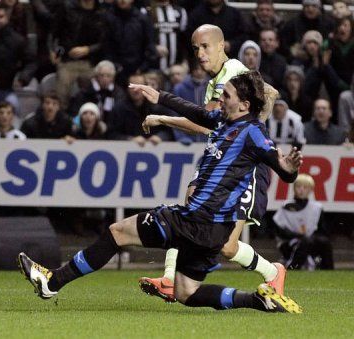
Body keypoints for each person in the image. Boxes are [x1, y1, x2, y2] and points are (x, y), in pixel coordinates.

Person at [19, 71, 303, 314]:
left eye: (226, 95)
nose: (221, 99)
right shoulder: (224, 120)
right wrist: (161, 97)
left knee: (118, 233)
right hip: (215, 230)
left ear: (244, 104)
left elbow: (281, 169)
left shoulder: (253, 132)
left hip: (196, 219)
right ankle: (256, 300)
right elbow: (198, 113)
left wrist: (289, 168)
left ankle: (52, 282)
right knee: (186, 292)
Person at [132, 25, 285, 303]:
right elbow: (208, 124)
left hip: (243, 168)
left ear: (221, 46)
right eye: (195, 49)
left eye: (205, 47)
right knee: (192, 214)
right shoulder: (217, 81)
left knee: (225, 244)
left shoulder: (233, 72)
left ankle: (272, 271)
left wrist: (162, 117)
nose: (200, 54)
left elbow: (267, 94)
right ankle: (170, 278)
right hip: (220, 159)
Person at [273, 174, 334, 270]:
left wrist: (311, 237)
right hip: (289, 241)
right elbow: (280, 230)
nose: (301, 190)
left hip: (309, 240)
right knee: (304, 242)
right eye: (298, 186)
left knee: (325, 243)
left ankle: (328, 271)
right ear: (294, 188)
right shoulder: (286, 206)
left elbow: (322, 230)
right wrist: (298, 235)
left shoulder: (317, 208)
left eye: (305, 187)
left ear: (310, 190)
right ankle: (292, 268)